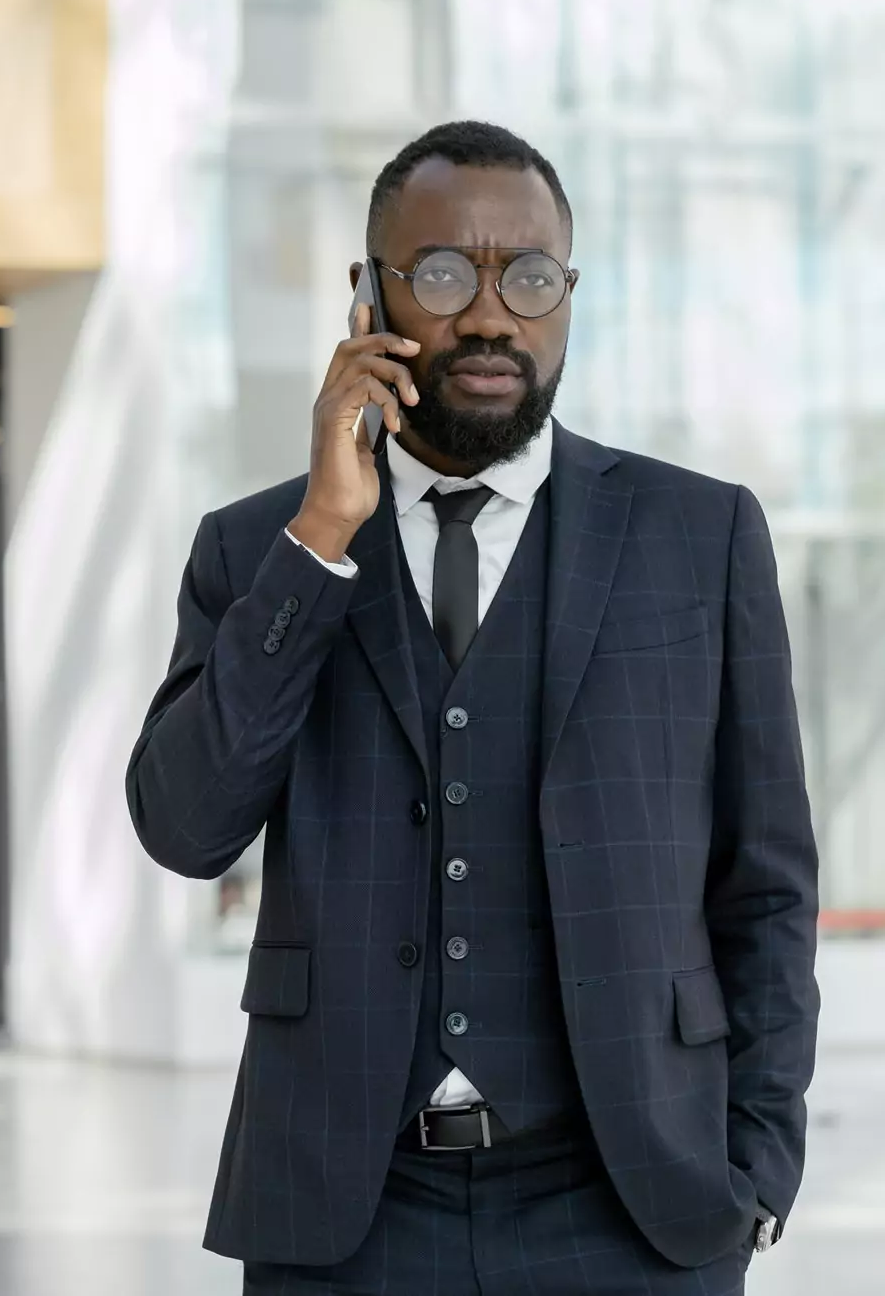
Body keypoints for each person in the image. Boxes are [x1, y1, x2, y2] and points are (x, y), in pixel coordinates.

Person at [125, 121, 819, 1295]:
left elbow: (764, 882)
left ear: (565, 295)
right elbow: (185, 829)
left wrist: (753, 1172)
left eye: (530, 276)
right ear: (368, 296)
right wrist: (320, 539)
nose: (491, 314)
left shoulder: (699, 537)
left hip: (631, 1205)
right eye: (443, 273)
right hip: (344, 1210)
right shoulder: (257, 549)